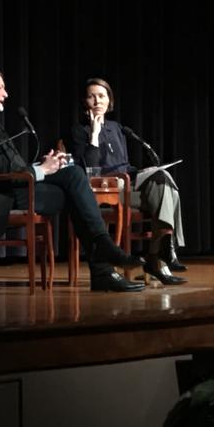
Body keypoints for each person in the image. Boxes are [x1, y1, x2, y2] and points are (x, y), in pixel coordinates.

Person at [0, 66, 145, 292]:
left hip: (13, 187)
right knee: (76, 191)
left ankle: (103, 260)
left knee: (73, 175)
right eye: (0, 87)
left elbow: (9, 164)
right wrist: (41, 171)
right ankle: (103, 261)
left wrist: (42, 165)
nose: (5, 94)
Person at [69, 77, 188, 285]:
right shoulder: (79, 131)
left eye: (102, 96)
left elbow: (125, 165)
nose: (97, 101)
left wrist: (143, 171)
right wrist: (94, 135)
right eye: (91, 96)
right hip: (105, 188)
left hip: (127, 184)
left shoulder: (117, 128)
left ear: (109, 100)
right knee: (165, 190)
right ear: (84, 102)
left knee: (163, 181)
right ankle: (159, 257)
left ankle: (160, 252)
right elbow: (88, 170)